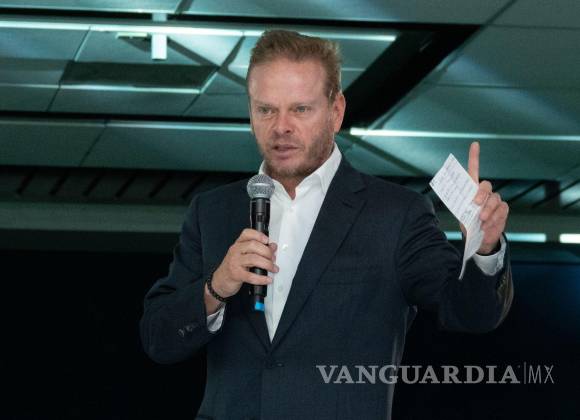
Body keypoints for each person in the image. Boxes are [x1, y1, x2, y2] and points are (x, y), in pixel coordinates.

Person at [140, 29, 513, 420]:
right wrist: (216, 287)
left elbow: (470, 314)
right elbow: (158, 339)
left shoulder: (395, 214)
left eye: (300, 109)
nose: (281, 126)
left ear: (336, 111)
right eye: (266, 110)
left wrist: (484, 247)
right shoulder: (213, 211)